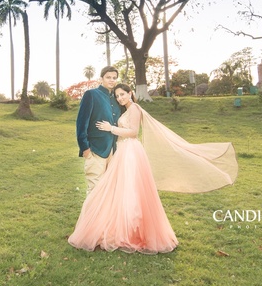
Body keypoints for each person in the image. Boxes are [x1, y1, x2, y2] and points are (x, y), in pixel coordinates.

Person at [68, 84, 238, 254]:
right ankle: (122, 228)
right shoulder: (126, 110)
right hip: (123, 151)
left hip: (131, 152)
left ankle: (132, 230)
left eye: (122, 94)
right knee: (122, 189)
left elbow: (133, 132)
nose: (120, 98)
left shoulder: (135, 108)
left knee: (131, 189)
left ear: (130, 93)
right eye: (117, 96)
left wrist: (110, 128)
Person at [76, 66, 122, 194]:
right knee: (95, 191)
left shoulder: (116, 99)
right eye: (108, 77)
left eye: (114, 78)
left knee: (109, 191)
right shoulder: (91, 95)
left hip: (113, 151)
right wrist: (85, 148)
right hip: (95, 150)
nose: (111, 80)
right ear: (101, 78)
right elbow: (81, 124)